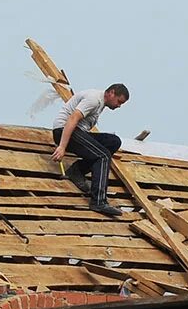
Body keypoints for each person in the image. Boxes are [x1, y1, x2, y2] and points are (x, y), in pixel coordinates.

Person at [50, 84, 130, 216]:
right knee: (103, 156)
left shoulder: (101, 103)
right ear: (111, 93)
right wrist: (62, 146)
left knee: (114, 142)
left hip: (78, 132)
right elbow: (73, 118)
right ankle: (98, 201)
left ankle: (77, 170)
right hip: (64, 131)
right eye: (119, 101)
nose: (119, 105)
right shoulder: (94, 100)